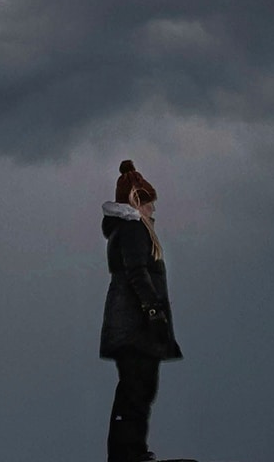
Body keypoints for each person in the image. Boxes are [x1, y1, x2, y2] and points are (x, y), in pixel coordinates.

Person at [100, 160, 183, 462]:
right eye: (149, 204)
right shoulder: (134, 229)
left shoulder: (127, 230)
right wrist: (153, 312)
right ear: (138, 201)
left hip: (130, 328)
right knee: (137, 389)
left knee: (137, 389)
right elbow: (137, 273)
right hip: (134, 329)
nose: (153, 210)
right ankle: (127, 453)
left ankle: (129, 451)